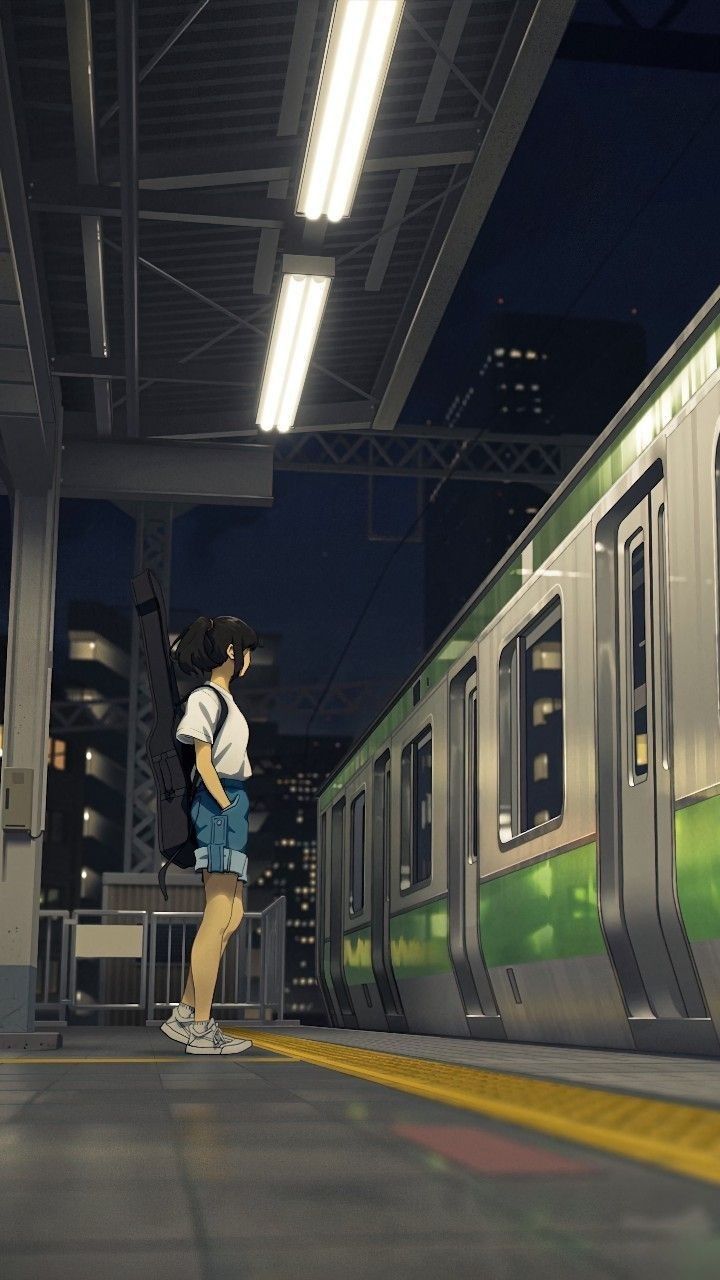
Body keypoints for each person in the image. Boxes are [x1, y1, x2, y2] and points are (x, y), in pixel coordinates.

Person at [160, 614, 259, 1055]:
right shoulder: (205, 699)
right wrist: (224, 805)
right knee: (218, 913)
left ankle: (184, 1012)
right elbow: (203, 762)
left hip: (230, 805)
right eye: (247, 651)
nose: (250, 659)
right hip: (220, 805)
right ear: (232, 653)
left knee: (233, 914)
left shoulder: (224, 698)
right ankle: (201, 1028)